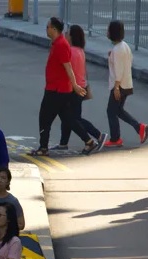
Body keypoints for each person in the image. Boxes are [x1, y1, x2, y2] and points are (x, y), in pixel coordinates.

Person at [29, 17, 98, 157]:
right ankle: (89, 141)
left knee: (44, 118)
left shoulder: (61, 45)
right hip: (59, 89)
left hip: (56, 90)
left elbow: (68, 67)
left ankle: (43, 148)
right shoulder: (57, 43)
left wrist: (75, 86)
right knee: (69, 119)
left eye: (47, 27)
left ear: (54, 29)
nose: (46, 29)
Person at [53, 25, 108, 151]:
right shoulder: (80, 51)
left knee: (72, 119)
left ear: (71, 36)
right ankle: (63, 144)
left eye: (67, 33)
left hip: (73, 89)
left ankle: (98, 135)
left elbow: (65, 70)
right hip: (81, 87)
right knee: (68, 117)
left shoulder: (70, 51)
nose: (65, 35)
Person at [104, 20, 148, 147]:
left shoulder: (117, 50)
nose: (107, 32)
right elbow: (126, 62)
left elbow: (119, 69)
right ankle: (139, 127)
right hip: (127, 84)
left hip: (119, 85)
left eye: (108, 30)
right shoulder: (124, 46)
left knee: (111, 111)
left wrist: (116, 87)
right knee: (118, 111)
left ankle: (115, 138)